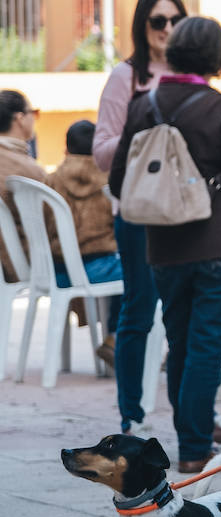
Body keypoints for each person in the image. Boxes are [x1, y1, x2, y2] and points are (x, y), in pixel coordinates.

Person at [109, 17, 221, 474]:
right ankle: (195, 448)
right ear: (217, 57)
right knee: (205, 349)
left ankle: (191, 442)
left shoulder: (143, 107)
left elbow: (120, 178)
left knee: (180, 346)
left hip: (165, 248)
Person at [92, 0, 193, 439]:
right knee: (138, 309)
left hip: (188, 213)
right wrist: (146, 129)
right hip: (138, 210)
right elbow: (100, 151)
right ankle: (131, 415)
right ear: (142, 26)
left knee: (185, 313)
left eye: (175, 20)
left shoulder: (193, 76)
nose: (167, 29)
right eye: (158, 21)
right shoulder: (126, 77)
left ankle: (190, 416)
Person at [47, 120, 123, 363]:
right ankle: (115, 336)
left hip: (56, 272)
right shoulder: (111, 180)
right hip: (99, 268)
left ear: (66, 150)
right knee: (137, 272)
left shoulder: (49, 181)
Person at [0, 89, 46, 282]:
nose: (34, 119)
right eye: (33, 113)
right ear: (19, 118)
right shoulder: (27, 168)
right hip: (22, 259)